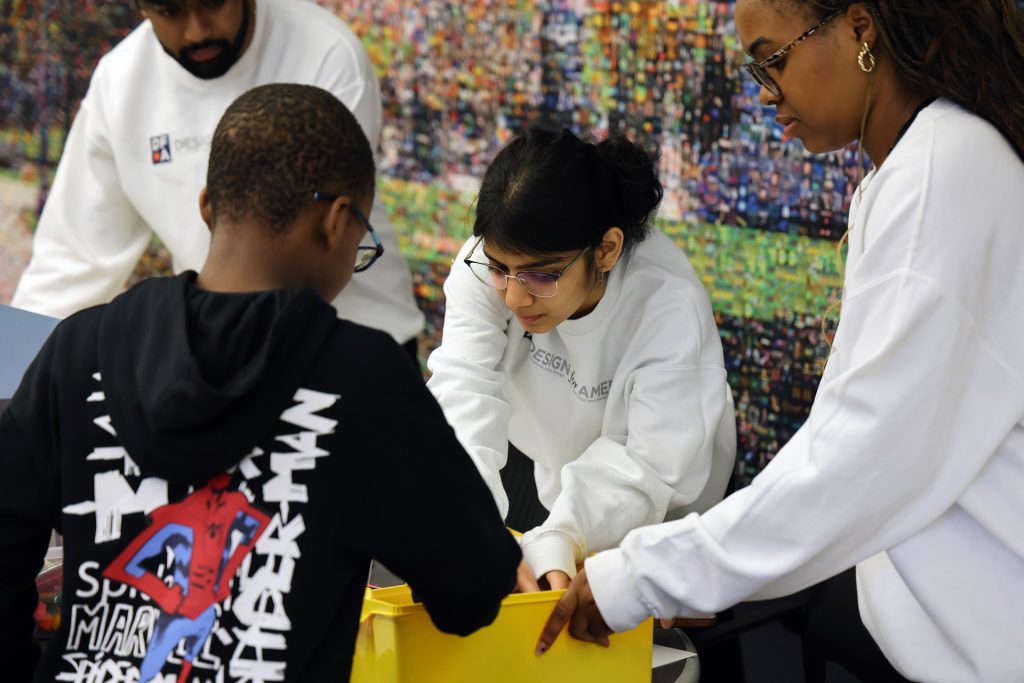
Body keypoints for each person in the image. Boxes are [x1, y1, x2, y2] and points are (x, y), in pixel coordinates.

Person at [537, 2, 1024, 681]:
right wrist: (683, 570)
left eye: (773, 60)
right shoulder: (909, 170)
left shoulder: (941, 172)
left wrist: (647, 577)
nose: (766, 93)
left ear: (860, 28)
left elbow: (860, 459)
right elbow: (846, 443)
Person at [0, 83, 520, 683]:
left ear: (206, 207)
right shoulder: (362, 377)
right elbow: (475, 585)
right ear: (336, 223)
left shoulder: (78, 348)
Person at [11, 0, 425, 362]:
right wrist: (8, 385)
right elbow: (69, 265)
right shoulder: (119, 82)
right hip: (218, 354)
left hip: (354, 343)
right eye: (170, 9)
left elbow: (293, 259)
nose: (197, 30)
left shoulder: (326, 52)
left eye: (212, 2)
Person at [426, 128, 737, 593]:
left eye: (541, 275)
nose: (513, 297)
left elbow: (648, 468)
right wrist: (472, 522)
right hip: (553, 469)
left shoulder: (669, 309)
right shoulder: (489, 262)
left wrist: (560, 537)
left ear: (606, 249)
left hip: (664, 515)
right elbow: (463, 387)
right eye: (500, 270)